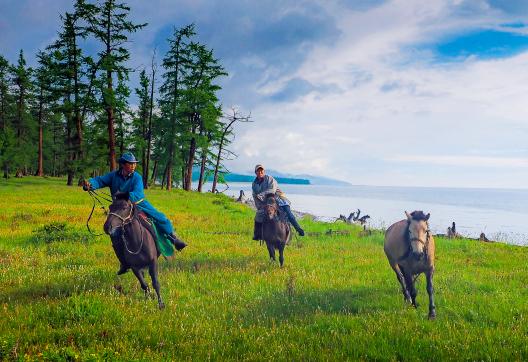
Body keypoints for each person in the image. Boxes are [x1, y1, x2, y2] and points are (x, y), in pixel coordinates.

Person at [82, 152, 187, 275]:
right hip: (120, 208)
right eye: (130, 163)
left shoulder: (137, 177)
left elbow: (138, 194)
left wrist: (123, 196)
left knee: (160, 218)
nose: (133, 166)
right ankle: (124, 262)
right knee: (114, 233)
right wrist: (90, 184)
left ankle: (173, 238)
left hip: (138, 203)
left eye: (134, 164)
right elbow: (99, 180)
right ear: (123, 164)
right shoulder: (113, 176)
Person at [252, 164, 305, 240]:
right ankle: (257, 234)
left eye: (261, 170)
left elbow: (272, 190)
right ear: (255, 172)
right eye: (258, 171)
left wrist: (261, 194)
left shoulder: (270, 178)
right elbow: (255, 196)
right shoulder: (254, 184)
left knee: (289, 214)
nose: (260, 172)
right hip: (267, 202)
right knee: (258, 216)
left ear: (264, 171)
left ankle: (299, 230)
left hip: (279, 199)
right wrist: (259, 207)